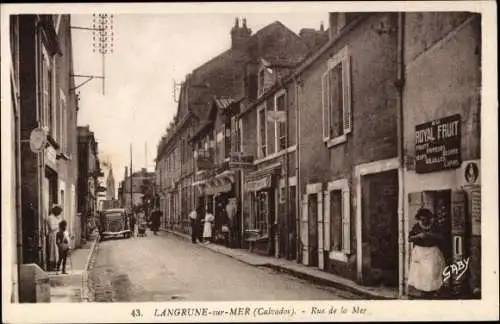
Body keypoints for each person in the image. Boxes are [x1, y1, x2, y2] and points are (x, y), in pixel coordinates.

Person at [408, 208, 446, 299]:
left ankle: (432, 290)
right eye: (422, 219)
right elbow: (410, 238)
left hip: (432, 251)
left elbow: (442, 238)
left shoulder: (435, 226)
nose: (424, 221)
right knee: (420, 273)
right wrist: (418, 236)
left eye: (426, 219)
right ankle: (423, 292)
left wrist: (431, 235)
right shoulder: (417, 226)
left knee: (432, 271)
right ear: (419, 219)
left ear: (430, 218)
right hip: (420, 252)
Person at [46, 205, 63, 271]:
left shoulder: (56, 218)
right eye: (59, 213)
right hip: (52, 236)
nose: (60, 214)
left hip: (57, 236)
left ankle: (57, 265)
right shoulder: (50, 218)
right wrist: (59, 224)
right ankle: (52, 266)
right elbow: (52, 227)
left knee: (57, 251)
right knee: (52, 251)